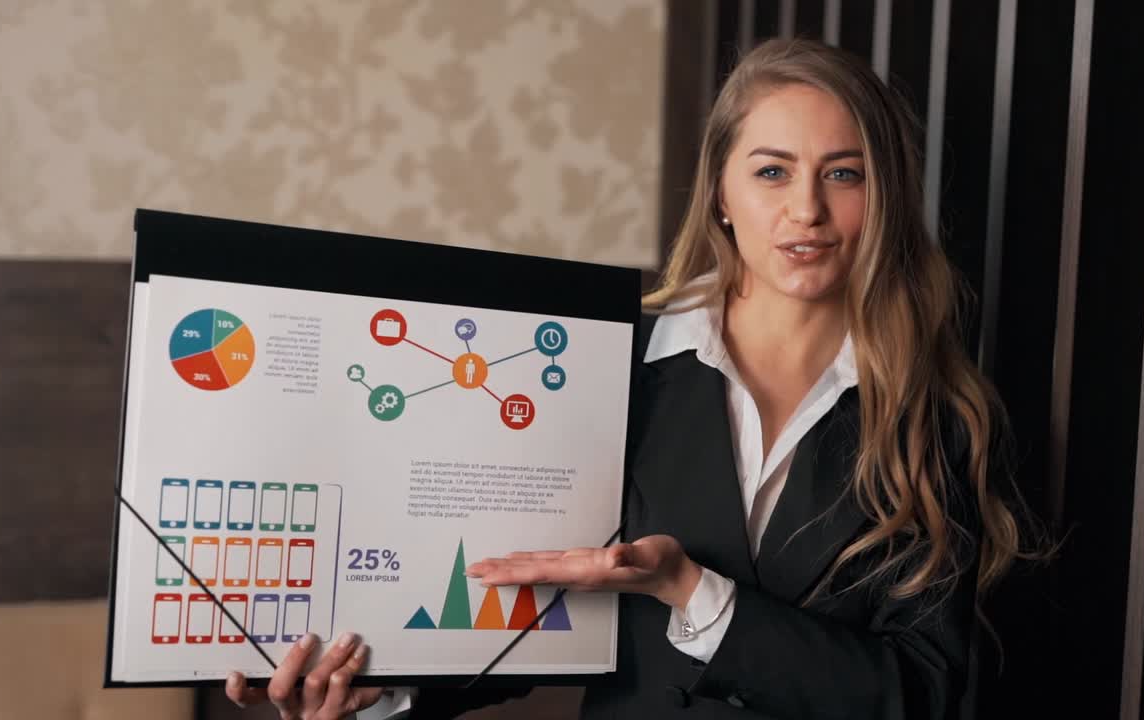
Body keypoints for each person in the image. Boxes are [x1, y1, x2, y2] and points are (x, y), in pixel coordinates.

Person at [226, 37, 1030, 719]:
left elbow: (921, 692)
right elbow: (520, 606)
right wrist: (384, 689)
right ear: (720, 191)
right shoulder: (606, 367)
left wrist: (689, 589)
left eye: (844, 174)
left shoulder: (936, 414)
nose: (807, 211)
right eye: (773, 172)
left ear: (883, 195)